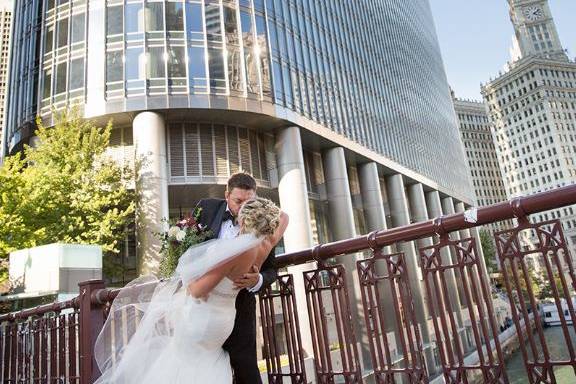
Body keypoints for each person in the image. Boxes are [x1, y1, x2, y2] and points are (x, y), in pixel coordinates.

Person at [93, 197, 288, 384]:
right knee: (205, 365)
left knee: (183, 367)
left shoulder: (235, 251)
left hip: (203, 319)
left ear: (243, 220)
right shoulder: (265, 245)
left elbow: (197, 290)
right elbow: (284, 216)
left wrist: (190, 271)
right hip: (224, 320)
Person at [194, 172, 278, 384]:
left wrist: (257, 281)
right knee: (203, 366)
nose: (242, 208)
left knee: (245, 366)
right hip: (201, 308)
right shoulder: (206, 207)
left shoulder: (262, 224)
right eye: (238, 201)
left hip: (239, 308)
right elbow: (187, 249)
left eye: (249, 202)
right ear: (226, 195)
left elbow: (272, 271)